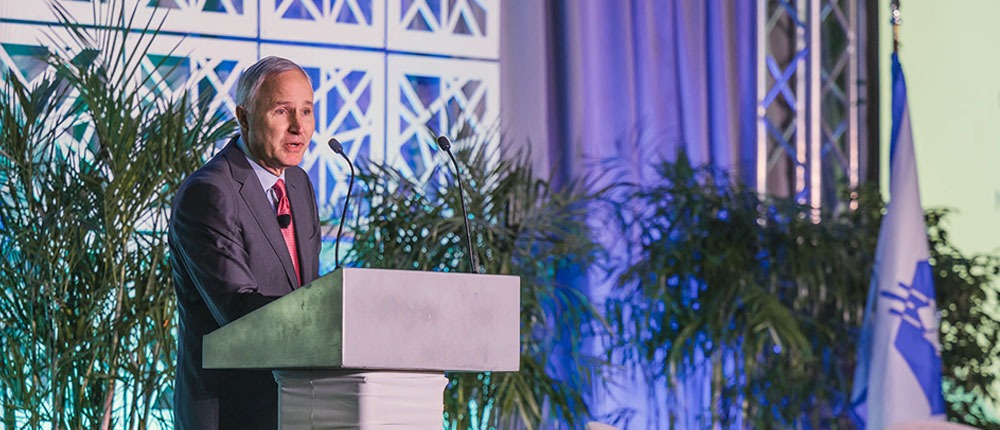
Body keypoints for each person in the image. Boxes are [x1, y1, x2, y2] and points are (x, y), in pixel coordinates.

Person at [168, 56, 321, 430]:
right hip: (231, 412)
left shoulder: (298, 184)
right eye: (282, 111)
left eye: (306, 111)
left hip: (294, 405)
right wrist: (331, 316)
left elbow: (305, 287)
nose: (298, 126)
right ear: (244, 117)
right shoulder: (209, 193)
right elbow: (238, 311)